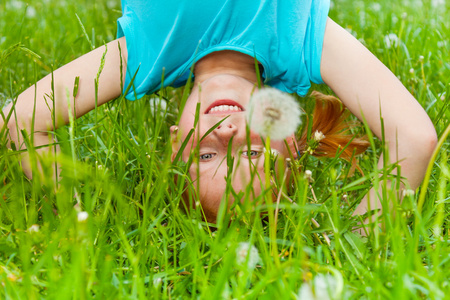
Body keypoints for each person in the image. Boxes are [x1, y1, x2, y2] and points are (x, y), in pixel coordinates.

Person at [0, 1, 437, 225]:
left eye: (206, 156)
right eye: (252, 154)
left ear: (175, 140)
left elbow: (19, 121)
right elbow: (415, 140)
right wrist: (356, 242)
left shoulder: (148, 56)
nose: (227, 134)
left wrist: (82, 224)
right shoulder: (301, 43)